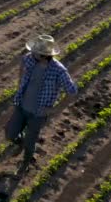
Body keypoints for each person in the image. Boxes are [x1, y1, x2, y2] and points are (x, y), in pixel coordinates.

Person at [5, 34, 78, 173]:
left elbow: (72, 91)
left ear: (44, 55)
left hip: (38, 113)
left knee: (30, 142)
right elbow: (22, 65)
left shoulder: (58, 70)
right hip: (21, 106)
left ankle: (25, 164)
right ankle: (18, 143)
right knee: (10, 133)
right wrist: (20, 86)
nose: (31, 53)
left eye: (36, 52)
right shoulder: (29, 59)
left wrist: (54, 110)